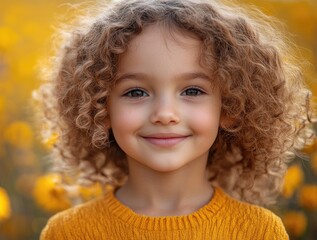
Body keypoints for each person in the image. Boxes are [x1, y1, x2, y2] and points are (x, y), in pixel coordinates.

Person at [37, 0, 314, 239]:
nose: (165, 114)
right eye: (136, 92)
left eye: (192, 90)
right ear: (100, 107)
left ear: (230, 107)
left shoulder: (259, 232)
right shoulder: (69, 233)